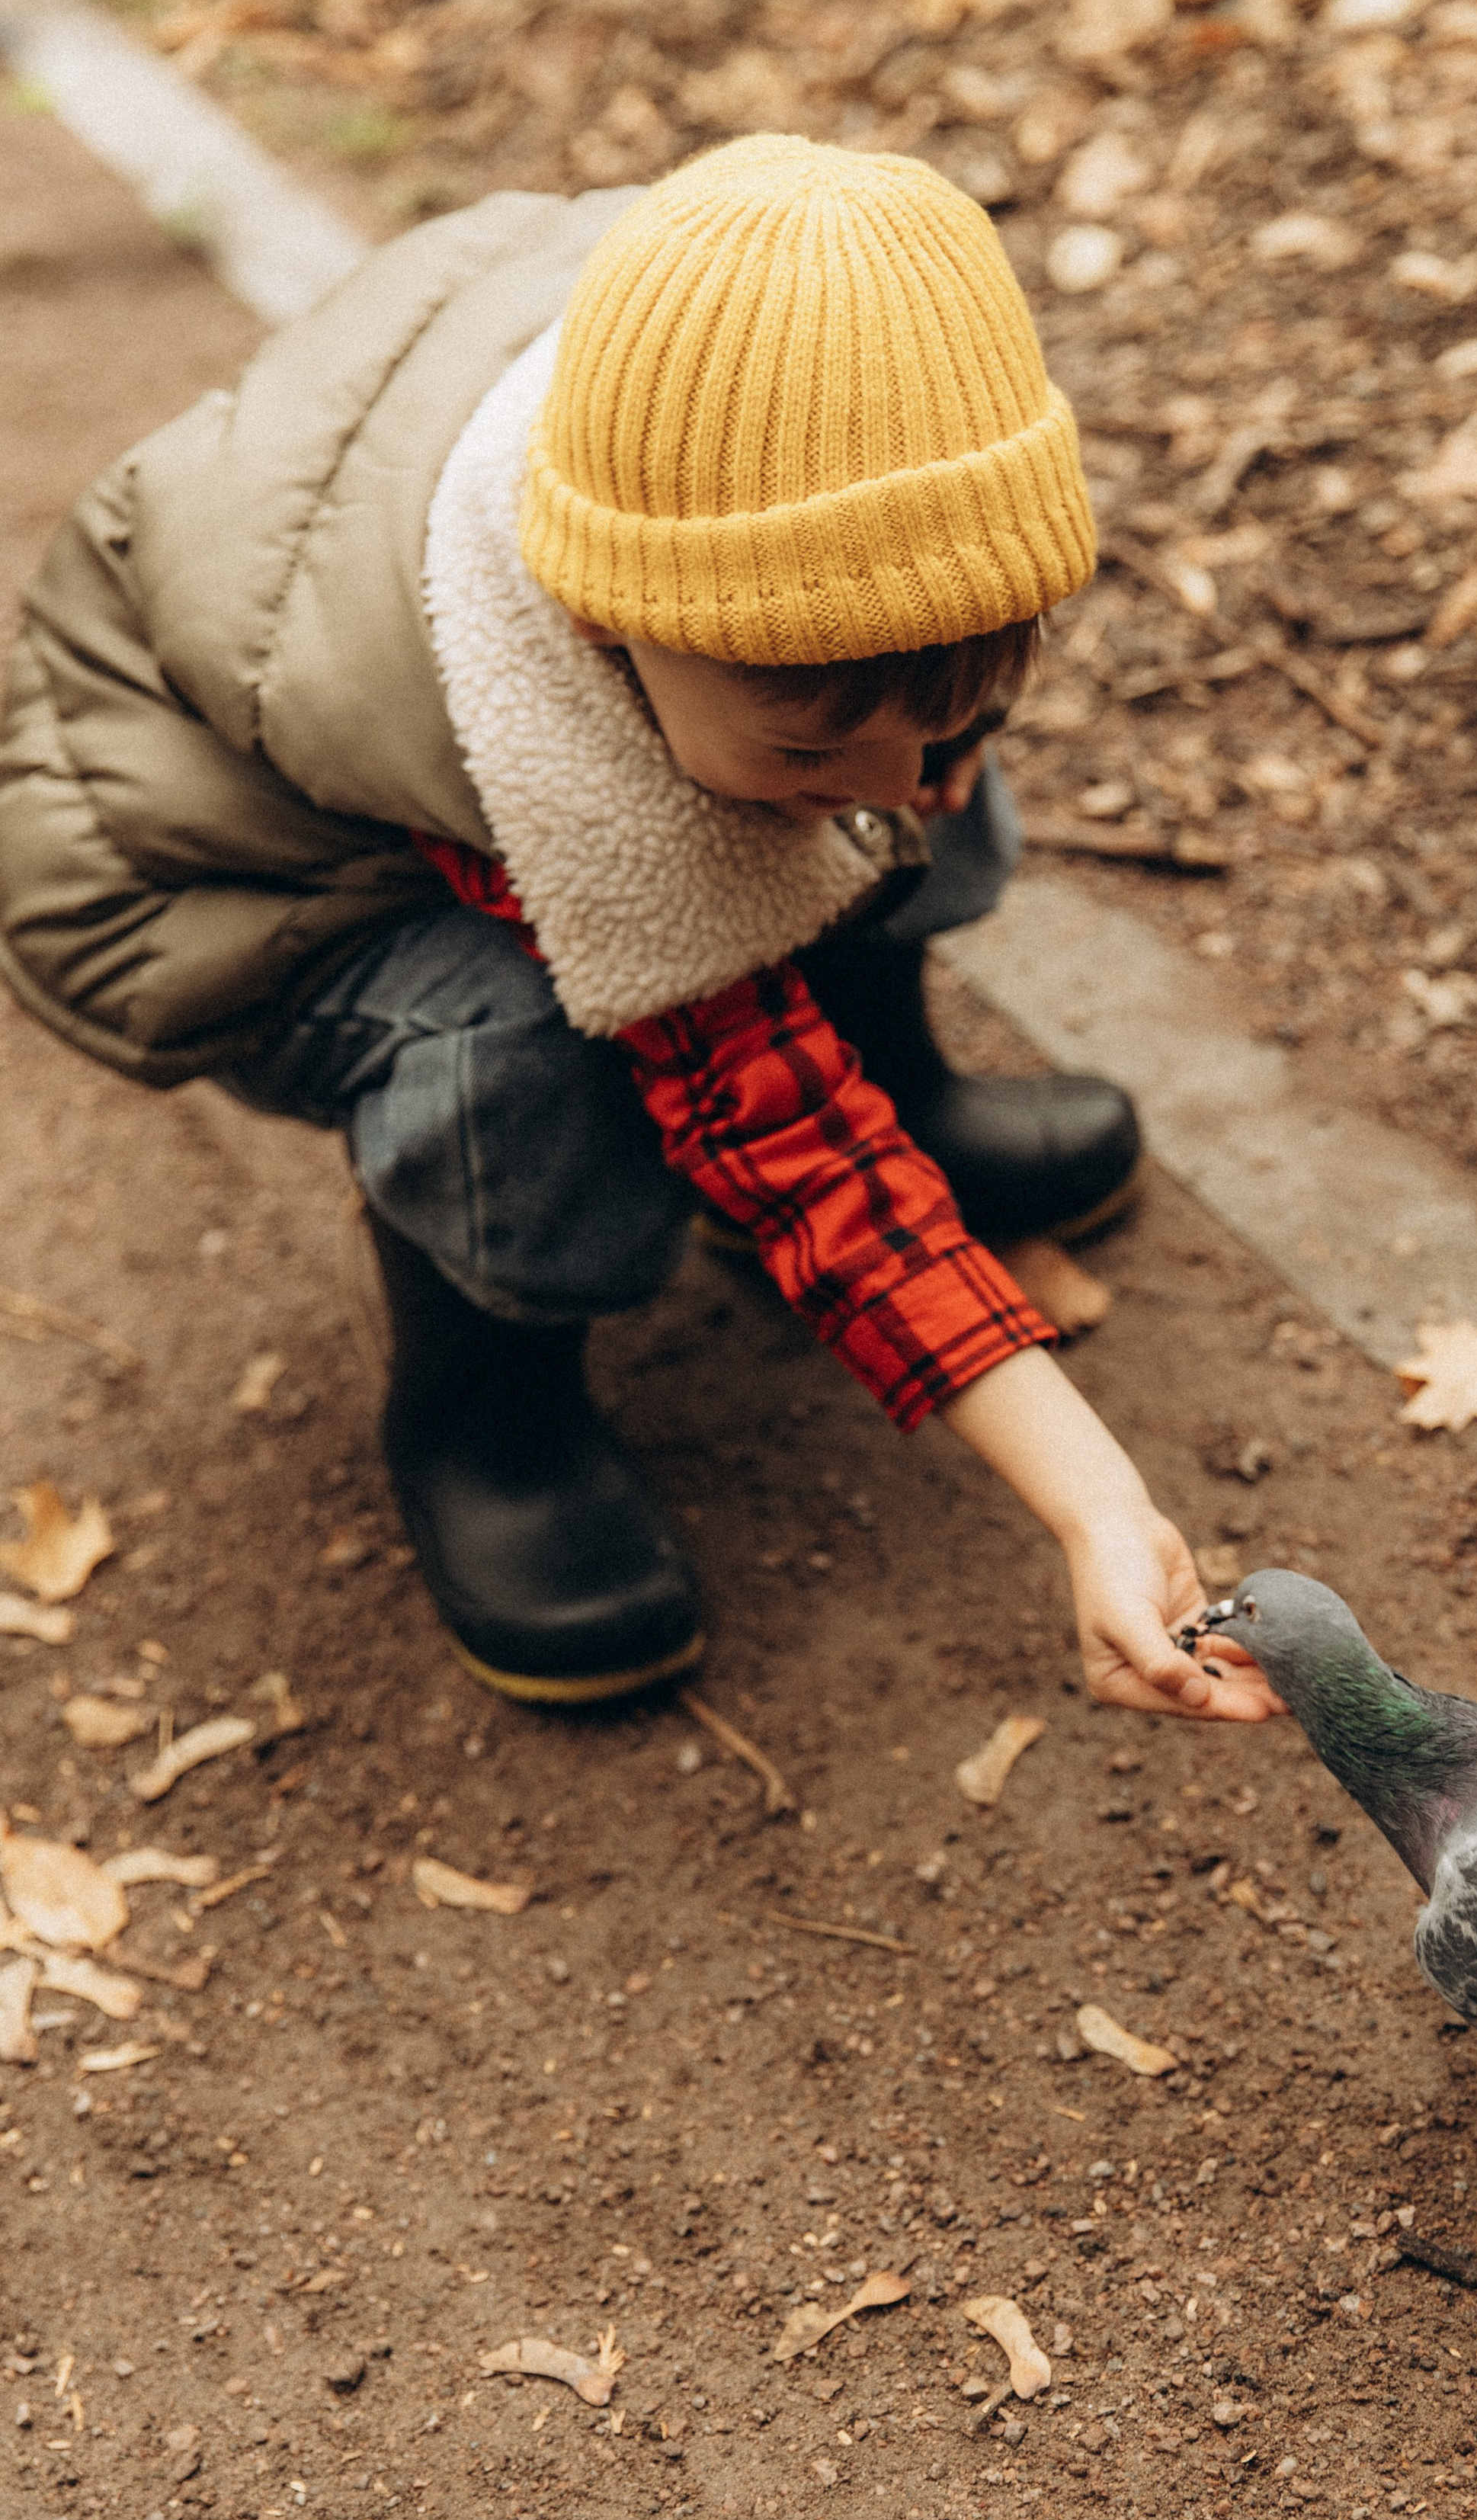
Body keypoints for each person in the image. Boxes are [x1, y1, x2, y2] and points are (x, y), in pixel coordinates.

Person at [0, 133, 1279, 1731]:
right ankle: (490, 1410)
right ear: (609, 619)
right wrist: (1095, 1498)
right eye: (814, 749)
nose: (886, 791)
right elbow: (784, 1131)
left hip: (532, 695)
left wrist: (889, 760)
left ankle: (906, 1076)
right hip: (218, 873)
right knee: (519, 1047)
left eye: (957, 705)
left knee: (907, 792)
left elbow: (865, 751)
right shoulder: (526, 734)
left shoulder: (751, 411)